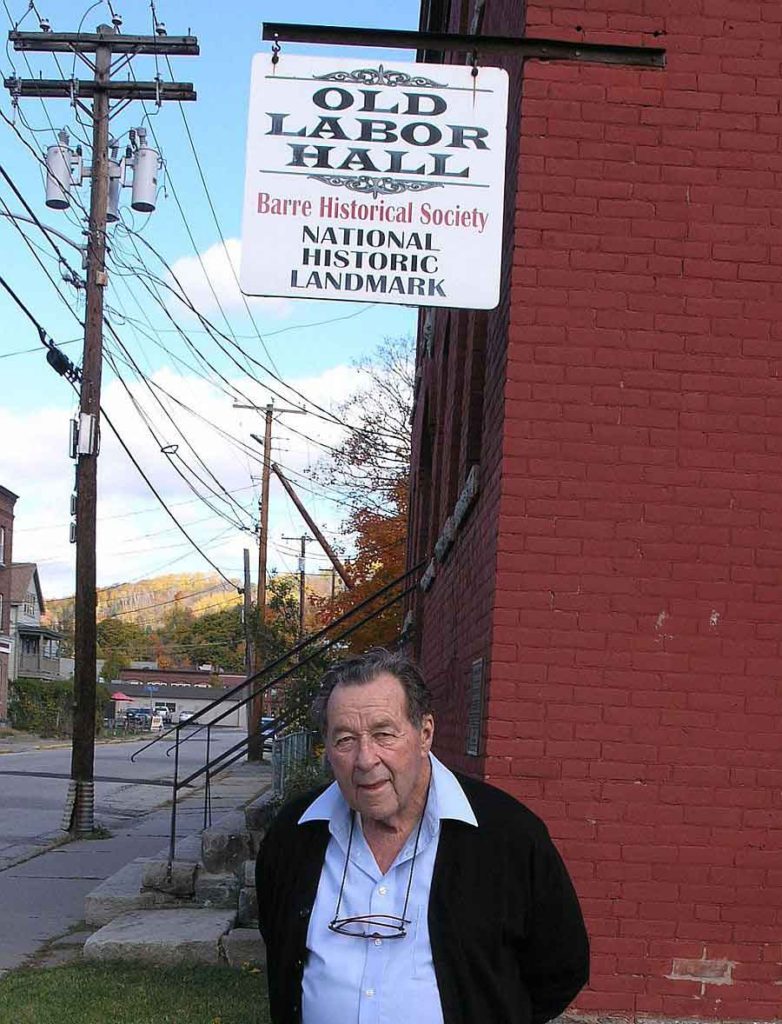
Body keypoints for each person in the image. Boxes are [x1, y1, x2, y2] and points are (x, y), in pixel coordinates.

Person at [256, 648, 589, 1024]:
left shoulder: (509, 836)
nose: (365, 759)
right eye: (345, 739)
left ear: (425, 733)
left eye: (384, 734)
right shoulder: (294, 834)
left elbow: (563, 967)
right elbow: (280, 944)